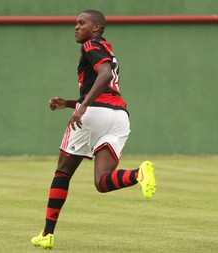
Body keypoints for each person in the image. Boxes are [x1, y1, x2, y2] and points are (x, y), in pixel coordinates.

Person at [30, 10, 156, 249]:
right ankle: (139, 174)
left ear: (96, 27)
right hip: (119, 117)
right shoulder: (106, 49)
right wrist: (69, 103)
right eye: (76, 23)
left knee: (63, 173)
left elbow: (105, 75)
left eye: (81, 23)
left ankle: (47, 235)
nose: (76, 27)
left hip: (92, 113)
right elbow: (104, 82)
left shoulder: (90, 44)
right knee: (102, 182)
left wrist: (81, 107)